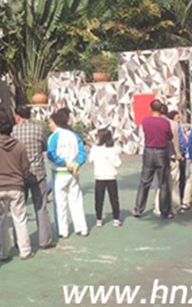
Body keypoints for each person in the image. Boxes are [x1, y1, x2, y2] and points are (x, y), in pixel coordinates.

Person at [0, 108, 34, 261]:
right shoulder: (19, 145)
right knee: (20, 219)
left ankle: (3, 252)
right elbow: (25, 167)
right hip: (16, 186)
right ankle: (25, 250)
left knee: (0, 221)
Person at [12, 105, 54, 249]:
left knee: (19, 209)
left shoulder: (13, 131)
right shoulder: (38, 129)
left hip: (19, 173)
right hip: (38, 172)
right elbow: (44, 147)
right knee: (41, 206)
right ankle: (45, 240)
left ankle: (19, 240)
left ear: (18, 116)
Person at [47, 108, 88, 237]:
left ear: (56, 122)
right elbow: (82, 152)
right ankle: (82, 228)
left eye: (50, 122)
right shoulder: (74, 135)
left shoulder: (54, 136)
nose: (49, 125)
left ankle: (63, 231)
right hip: (73, 173)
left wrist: (64, 163)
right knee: (76, 201)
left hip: (59, 173)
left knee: (60, 203)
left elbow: (51, 154)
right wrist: (77, 164)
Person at [133, 99, 173, 219]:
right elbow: (169, 136)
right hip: (161, 152)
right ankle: (164, 211)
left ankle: (138, 209)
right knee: (163, 183)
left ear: (150, 109)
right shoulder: (165, 122)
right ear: (161, 109)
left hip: (149, 151)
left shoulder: (146, 121)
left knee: (144, 181)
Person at [89, 128, 123, 227]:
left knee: (99, 199)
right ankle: (116, 219)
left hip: (99, 176)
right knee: (114, 198)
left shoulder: (95, 149)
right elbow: (117, 163)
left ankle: (99, 219)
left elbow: (90, 159)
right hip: (111, 176)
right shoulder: (113, 149)